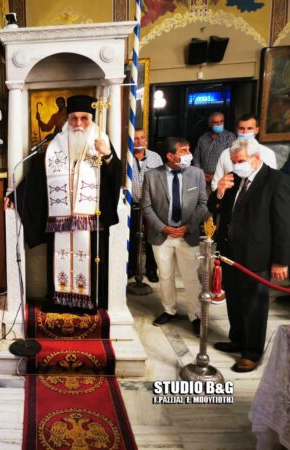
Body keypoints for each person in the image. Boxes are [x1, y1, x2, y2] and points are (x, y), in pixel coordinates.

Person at [10, 95, 122, 311]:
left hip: (91, 222)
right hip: (60, 219)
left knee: (89, 261)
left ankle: (88, 301)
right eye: (73, 118)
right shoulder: (56, 145)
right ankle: (59, 300)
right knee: (59, 259)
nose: (78, 123)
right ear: (67, 120)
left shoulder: (101, 141)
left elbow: (115, 177)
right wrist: (16, 195)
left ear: (91, 119)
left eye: (84, 118)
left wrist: (107, 156)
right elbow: (38, 176)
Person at [208, 138, 290, 372]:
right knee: (234, 300)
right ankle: (237, 340)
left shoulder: (277, 181)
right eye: (233, 162)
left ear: (257, 158)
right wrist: (219, 192)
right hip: (230, 253)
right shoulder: (234, 178)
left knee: (254, 305)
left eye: (240, 161)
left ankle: (252, 352)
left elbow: (283, 223)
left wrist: (281, 261)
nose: (236, 166)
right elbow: (215, 208)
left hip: (258, 255)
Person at [142, 137, 207, 336]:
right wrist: (164, 228)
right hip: (162, 235)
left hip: (188, 234)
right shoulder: (152, 176)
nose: (189, 154)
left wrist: (187, 227)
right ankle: (169, 310)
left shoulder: (197, 174)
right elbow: (146, 206)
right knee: (165, 275)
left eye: (188, 149)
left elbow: (202, 204)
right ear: (170, 156)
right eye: (184, 151)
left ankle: (195, 315)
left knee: (191, 277)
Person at [211, 114, 277, 190]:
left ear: (257, 130)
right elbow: (215, 185)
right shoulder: (226, 154)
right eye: (241, 128)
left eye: (249, 128)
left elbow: (272, 184)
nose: (245, 132)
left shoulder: (268, 153)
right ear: (237, 130)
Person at [129, 128, 162, 282]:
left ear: (146, 139)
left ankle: (151, 269)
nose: (139, 141)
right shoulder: (126, 156)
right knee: (132, 237)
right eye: (136, 138)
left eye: (142, 138)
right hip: (132, 204)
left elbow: (162, 180)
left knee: (151, 237)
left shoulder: (155, 157)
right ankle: (131, 268)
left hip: (151, 205)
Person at [192, 111, 235, 188]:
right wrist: (200, 174)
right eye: (216, 122)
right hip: (203, 179)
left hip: (221, 180)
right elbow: (196, 158)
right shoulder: (203, 138)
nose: (219, 124)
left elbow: (232, 160)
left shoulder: (229, 137)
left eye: (221, 121)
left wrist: (217, 176)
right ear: (210, 124)